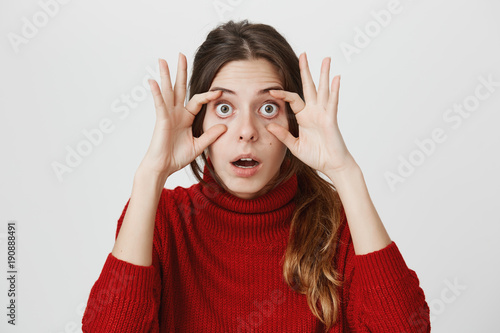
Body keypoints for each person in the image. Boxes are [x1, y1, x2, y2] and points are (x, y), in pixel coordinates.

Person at [82, 20, 430, 332]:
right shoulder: (161, 219)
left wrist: (345, 172)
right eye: (224, 108)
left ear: (293, 121)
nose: (247, 131)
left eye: (268, 108)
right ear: (197, 120)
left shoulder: (341, 225)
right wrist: (150, 175)